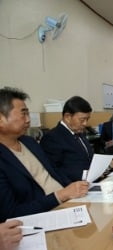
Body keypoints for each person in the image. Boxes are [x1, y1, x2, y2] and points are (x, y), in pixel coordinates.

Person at [0, 87, 88, 221]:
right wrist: (60, 196)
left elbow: (55, 172)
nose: (28, 120)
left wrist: (76, 187)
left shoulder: (29, 143)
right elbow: (10, 214)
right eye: (23, 114)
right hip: (45, 216)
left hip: (70, 204)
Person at [40, 96, 113, 182]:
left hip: (91, 184)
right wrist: (85, 175)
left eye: (87, 119)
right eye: (82, 120)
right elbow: (54, 172)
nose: (85, 123)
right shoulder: (52, 138)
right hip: (74, 189)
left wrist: (108, 166)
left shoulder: (79, 134)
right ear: (67, 117)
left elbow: (88, 161)